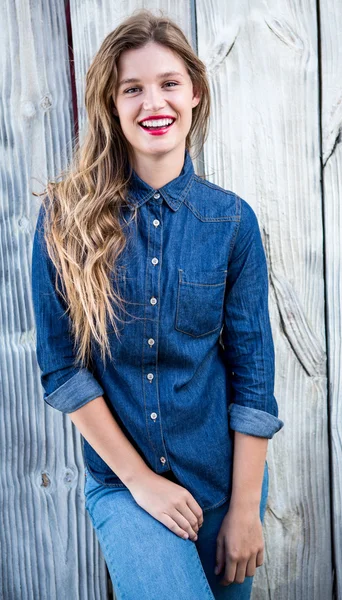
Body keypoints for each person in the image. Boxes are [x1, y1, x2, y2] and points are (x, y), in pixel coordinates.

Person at [31, 8, 284, 600]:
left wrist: (246, 511)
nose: (154, 103)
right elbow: (63, 369)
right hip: (124, 486)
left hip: (225, 487)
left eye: (169, 83)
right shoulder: (65, 221)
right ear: (112, 105)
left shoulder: (231, 222)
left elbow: (253, 376)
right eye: (133, 88)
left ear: (194, 92)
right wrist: (141, 482)